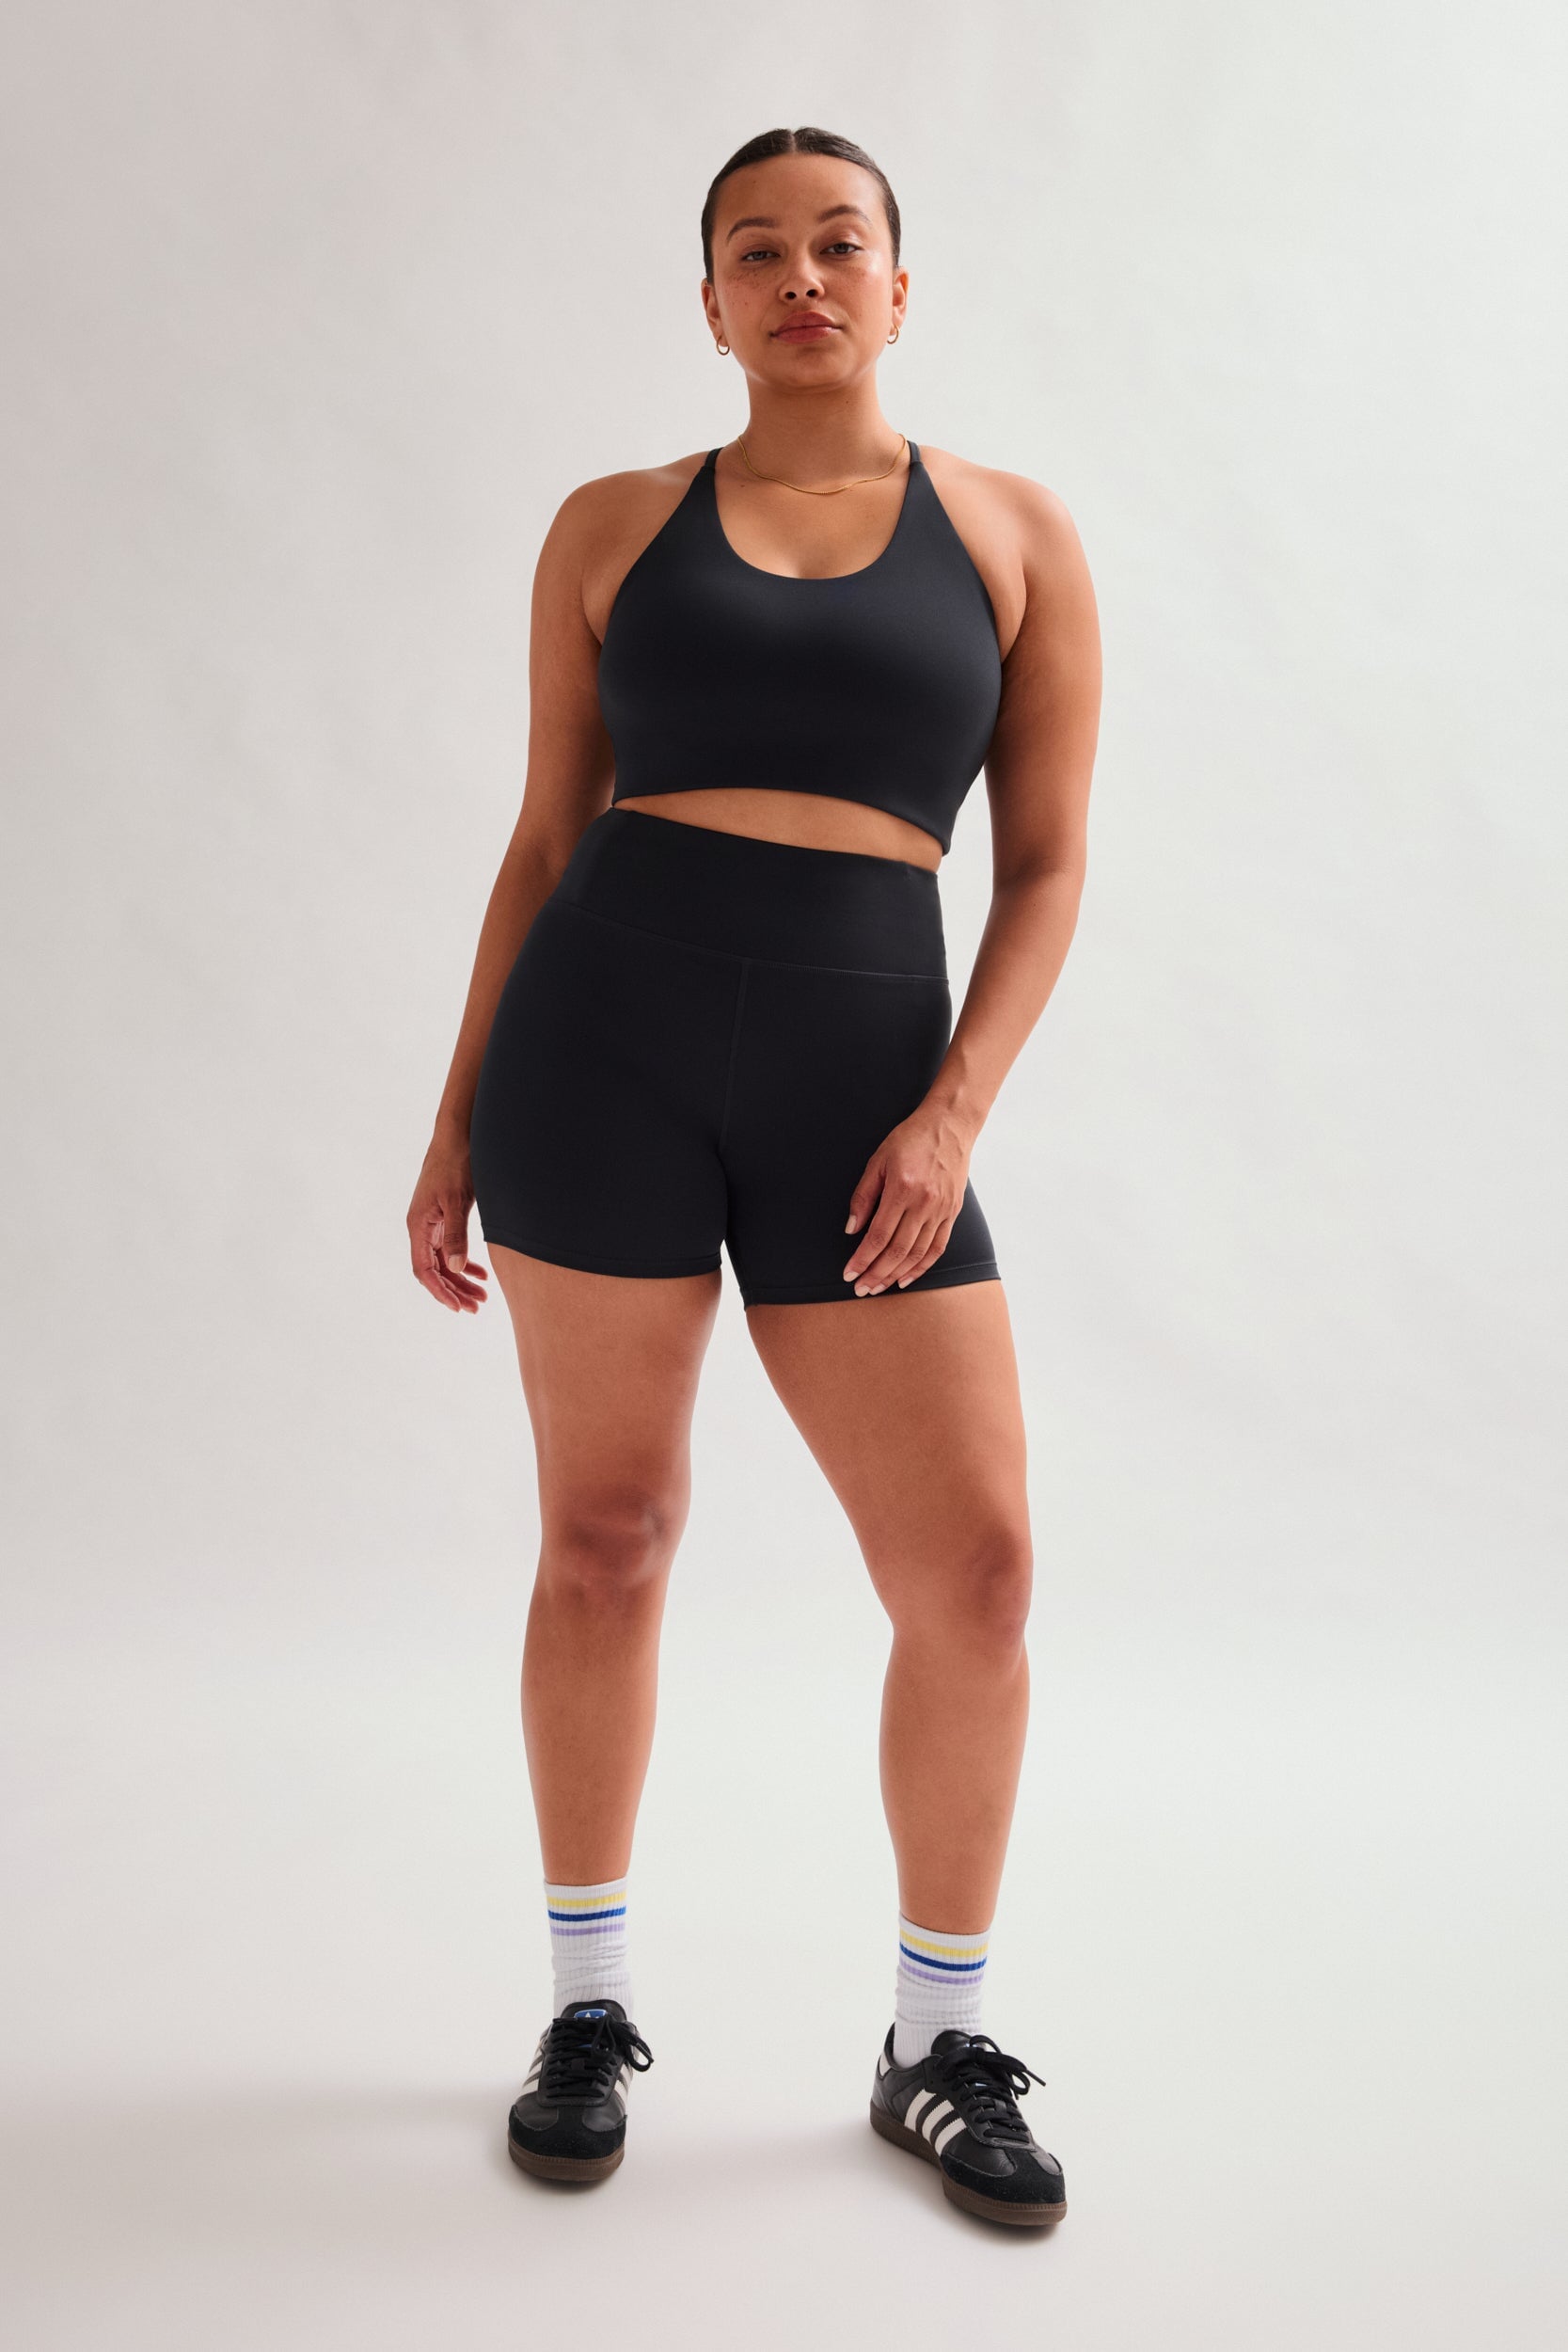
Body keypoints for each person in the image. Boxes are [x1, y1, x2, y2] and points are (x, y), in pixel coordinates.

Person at [406, 124, 1101, 2230]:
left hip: (864, 1089)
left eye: (839, 243)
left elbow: (1047, 867)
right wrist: (454, 1114)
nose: (802, 276)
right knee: (607, 1535)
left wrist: (953, 1112)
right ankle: (587, 2010)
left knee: (977, 1576)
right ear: (709, 302)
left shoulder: (1012, 535)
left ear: (899, 284)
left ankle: (935, 2043)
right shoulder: (613, 524)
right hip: (599, 1052)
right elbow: (549, 832)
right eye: (756, 251)